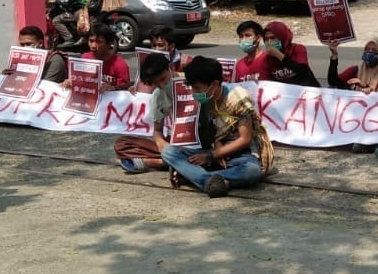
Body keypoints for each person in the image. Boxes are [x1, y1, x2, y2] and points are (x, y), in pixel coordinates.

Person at [159, 57, 276, 198]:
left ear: (214, 83)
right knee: (168, 152)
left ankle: (194, 177)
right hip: (213, 151)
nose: (194, 93)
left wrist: (212, 156)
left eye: (197, 88)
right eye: (192, 88)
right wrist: (214, 150)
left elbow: (245, 139)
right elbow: (210, 135)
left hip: (239, 154)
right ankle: (208, 179)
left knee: (251, 171)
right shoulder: (207, 99)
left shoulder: (237, 98)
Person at [115, 52, 173, 174]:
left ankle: (155, 162)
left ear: (170, 68)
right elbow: (157, 131)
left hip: (195, 143)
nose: (161, 85)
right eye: (156, 83)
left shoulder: (191, 84)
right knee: (121, 144)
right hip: (173, 144)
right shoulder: (158, 95)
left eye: (163, 79)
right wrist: (161, 143)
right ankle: (173, 161)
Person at [63, 24, 130, 92]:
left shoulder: (120, 65)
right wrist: (70, 83)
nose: (94, 46)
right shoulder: (85, 59)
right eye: (91, 41)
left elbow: (125, 92)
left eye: (99, 42)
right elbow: (79, 82)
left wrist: (113, 89)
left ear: (109, 44)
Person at [262, 21, 320, 86]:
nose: (269, 42)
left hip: (306, 90)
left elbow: (302, 71)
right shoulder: (267, 58)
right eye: (266, 39)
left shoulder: (297, 49)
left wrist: (278, 55)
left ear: (281, 37)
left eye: (273, 38)